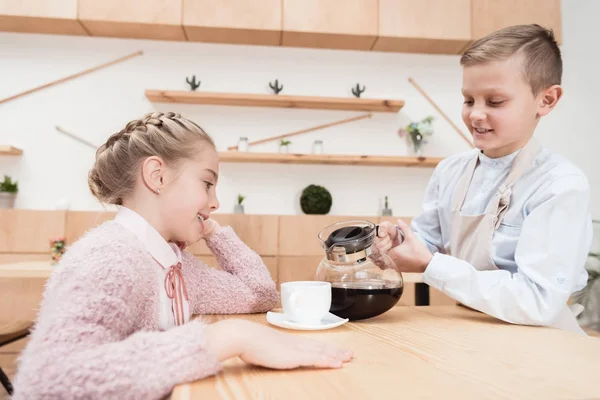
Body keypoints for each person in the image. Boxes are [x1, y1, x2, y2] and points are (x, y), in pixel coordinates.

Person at [12, 112, 353, 399]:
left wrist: (216, 234)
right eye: (207, 183)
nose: (215, 200)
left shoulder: (174, 264)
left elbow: (258, 293)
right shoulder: (109, 257)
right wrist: (226, 338)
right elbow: (47, 380)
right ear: (157, 176)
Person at [375, 24, 593, 334]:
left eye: (494, 102)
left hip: (541, 339)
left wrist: (429, 264)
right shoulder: (450, 171)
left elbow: (538, 301)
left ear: (546, 100)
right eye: (468, 100)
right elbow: (428, 243)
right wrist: (398, 242)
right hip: (471, 326)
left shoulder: (559, 184)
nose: (476, 114)